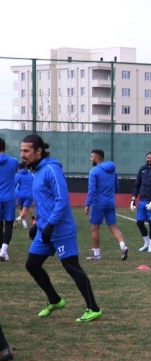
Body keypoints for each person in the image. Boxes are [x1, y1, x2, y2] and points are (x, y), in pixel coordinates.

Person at [19, 134, 102, 323]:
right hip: (44, 228)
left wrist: (50, 225)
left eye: (26, 151)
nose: (22, 154)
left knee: (72, 267)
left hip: (60, 229)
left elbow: (62, 200)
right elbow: (43, 202)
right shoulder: (36, 171)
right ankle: (55, 300)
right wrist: (38, 225)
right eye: (21, 150)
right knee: (32, 264)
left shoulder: (51, 169)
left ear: (38, 151)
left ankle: (93, 308)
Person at [84, 149, 128, 261]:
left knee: (94, 228)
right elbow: (117, 186)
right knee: (113, 227)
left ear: (97, 158)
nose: (90, 159)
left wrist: (87, 204)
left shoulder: (94, 171)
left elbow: (92, 189)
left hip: (98, 203)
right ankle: (123, 245)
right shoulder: (113, 170)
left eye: (92, 157)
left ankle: (97, 254)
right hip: (110, 202)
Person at [0, 138, 18, 261]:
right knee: (9, 225)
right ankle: (3, 251)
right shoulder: (14, 161)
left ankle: (2, 252)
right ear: (5, 147)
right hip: (9, 198)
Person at [15, 161, 34, 229]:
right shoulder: (30, 174)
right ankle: (20, 220)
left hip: (21, 194)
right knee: (26, 209)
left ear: (18, 168)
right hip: (29, 194)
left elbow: (14, 183)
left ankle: (22, 223)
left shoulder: (18, 175)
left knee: (21, 208)